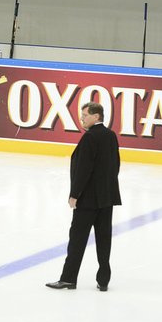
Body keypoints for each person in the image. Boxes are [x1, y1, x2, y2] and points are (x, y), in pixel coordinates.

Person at [47, 102, 122, 291]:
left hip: (88, 199)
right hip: (106, 198)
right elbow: (116, 165)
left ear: (97, 116)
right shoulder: (111, 136)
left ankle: (68, 278)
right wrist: (108, 189)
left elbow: (83, 169)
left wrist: (74, 194)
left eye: (85, 116)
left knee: (77, 238)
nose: (82, 119)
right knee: (104, 239)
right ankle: (103, 280)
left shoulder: (90, 137)